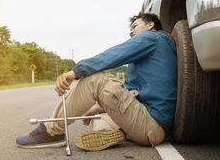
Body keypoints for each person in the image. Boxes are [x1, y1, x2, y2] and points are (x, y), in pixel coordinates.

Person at [16, 13, 177, 151]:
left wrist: (75, 72)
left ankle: (52, 131)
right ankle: (113, 132)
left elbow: (113, 55)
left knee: (95, 79)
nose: (131, 31)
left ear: (150, 25)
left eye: (135, 26)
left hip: (151, 124)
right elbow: (130, 92)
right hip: (154, 127)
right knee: (99, 116)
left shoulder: (152, 38)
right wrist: (97, 108)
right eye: (131, 29)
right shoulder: (155, 51)